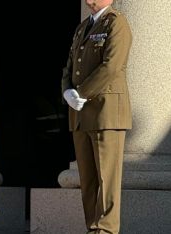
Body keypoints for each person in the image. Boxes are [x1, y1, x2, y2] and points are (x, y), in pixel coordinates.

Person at [61, 0, 132, 233]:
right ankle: (93, 227)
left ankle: (106, 229)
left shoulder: (116, 23)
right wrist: (67, 91)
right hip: (81, 113)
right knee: (88, 180)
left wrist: (81, 93)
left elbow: (111, 66)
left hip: (106, 112)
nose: (88, 0)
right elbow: (70, 67)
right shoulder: (83, 27)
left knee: (107, 178)